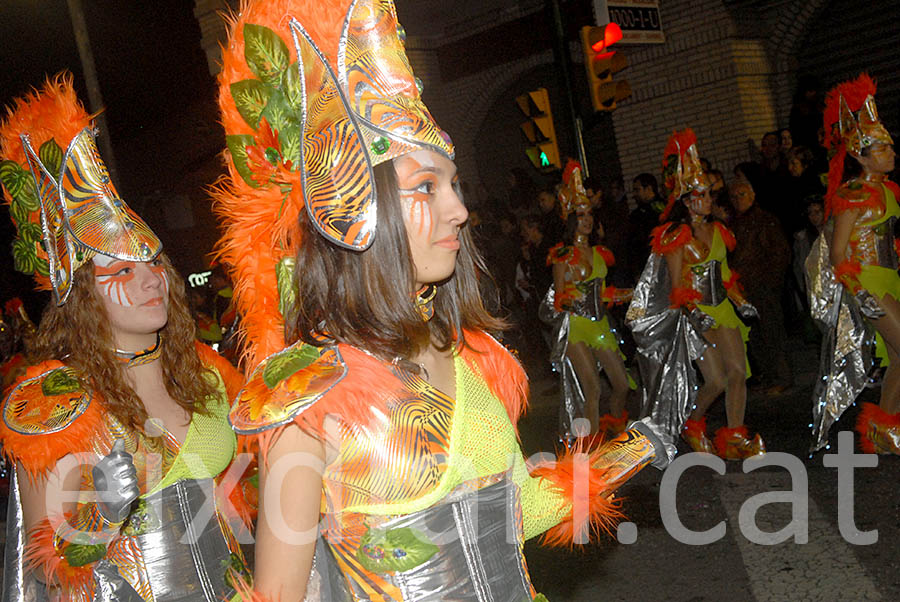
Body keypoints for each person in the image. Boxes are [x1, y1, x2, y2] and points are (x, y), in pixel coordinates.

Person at [213, 2, 668, 600]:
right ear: (353, 210)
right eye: (426, 186)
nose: (459, 208)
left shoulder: (472, 356)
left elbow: (509, 513)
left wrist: (639, 447)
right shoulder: (307, 399)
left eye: (454, 184)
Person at [0, 75, 250, 602]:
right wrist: (95, 522)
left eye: (153, 262)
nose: (150, 278)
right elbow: (46, 568)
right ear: (82, 296)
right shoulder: (54, 402)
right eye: (119, 270)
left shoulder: (206, 374)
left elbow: (247, 495)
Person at [628, 129, 765, 460]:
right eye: (701, 195)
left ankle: (734, 437)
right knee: (715, 381)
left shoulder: (719, 230)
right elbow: (675, 287)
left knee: (737, 374)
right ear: (687, 201)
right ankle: (694, 423)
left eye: (708, 193)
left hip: (723, 311)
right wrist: (692, 312)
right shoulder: (677, 237)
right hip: (694, 317)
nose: (709, 199)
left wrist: (741, 302)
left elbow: (726, 275)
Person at [807, 73, 900, 454]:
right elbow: (838, 253)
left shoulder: (887, 190)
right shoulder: (854, 193)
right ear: (861, 154)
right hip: (868, 284)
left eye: (890, 147)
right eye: (883, 148)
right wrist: (859, 293)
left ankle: (882, 429)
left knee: (897, 357)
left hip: (890, 279)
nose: (892, 153)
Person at [547, 161, 635, 440]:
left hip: (598, 326)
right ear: (572, 218)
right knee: (593, 388)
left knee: (621, 384)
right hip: (575, 328)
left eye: (590, 215)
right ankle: (593, 448)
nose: (587, 220)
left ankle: (615, 425)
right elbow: (558, 299)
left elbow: (604, 292)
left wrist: (626, 294)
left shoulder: (600, 253)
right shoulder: (562, 256)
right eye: (581, 215)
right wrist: (575, 302)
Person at [728, 179, 793, 394]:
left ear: (753, 195)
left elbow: (780, 253)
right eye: (735, 197)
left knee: (771, 331)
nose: (738, 200)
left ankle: (781, 377)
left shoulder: (765, 221)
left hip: (763, 286)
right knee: (755, 336)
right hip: (745, 289)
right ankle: (768, 375)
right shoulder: (735, 224)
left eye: (742, 195)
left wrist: (771, 282)